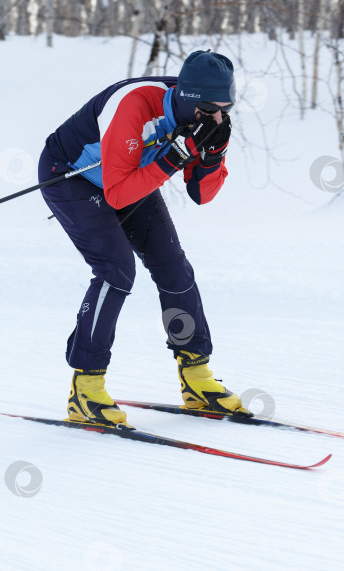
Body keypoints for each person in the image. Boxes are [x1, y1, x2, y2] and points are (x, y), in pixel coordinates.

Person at [38, 50, 248, 428]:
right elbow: (118, 195)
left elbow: (201, 194)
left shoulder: (206, 119)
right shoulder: (134, 105)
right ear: (186, 99)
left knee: (174, 267)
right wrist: (172, 159)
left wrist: (213, 155)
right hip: (71, 175)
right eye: (209, 109)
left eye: (225, 108)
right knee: (116, 269)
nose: (217, 117)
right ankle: (85, 389)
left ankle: (197, 378)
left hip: (133, 176)